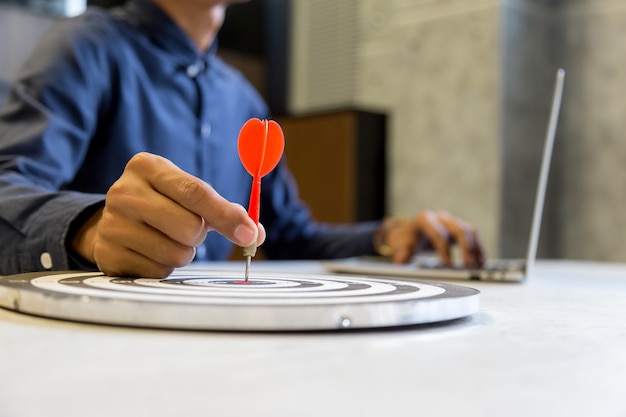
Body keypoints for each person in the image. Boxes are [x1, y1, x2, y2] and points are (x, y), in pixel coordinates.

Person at [0, 0, 484, 278]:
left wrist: (385, 236)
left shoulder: (245, 100)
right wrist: (86, 228)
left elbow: (292, 235)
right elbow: (6, 189)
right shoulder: (85, 47)